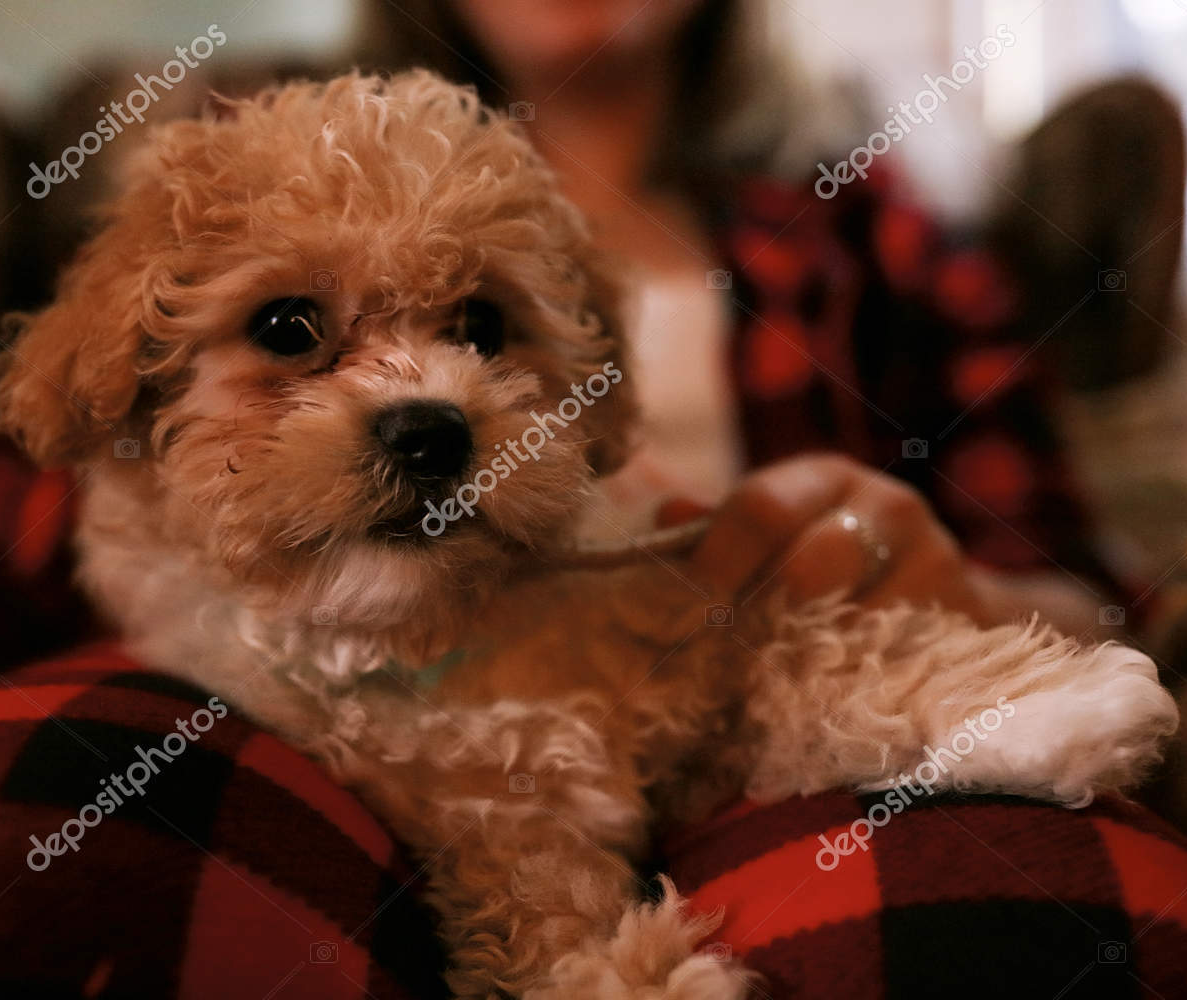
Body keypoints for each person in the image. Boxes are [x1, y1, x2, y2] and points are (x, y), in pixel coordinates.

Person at [358, 0, 1116, 637]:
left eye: (484, 324)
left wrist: (956, 597)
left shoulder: (873, 236)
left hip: (803, 735)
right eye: (295, 328)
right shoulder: (278, 190)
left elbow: (1090, 604)